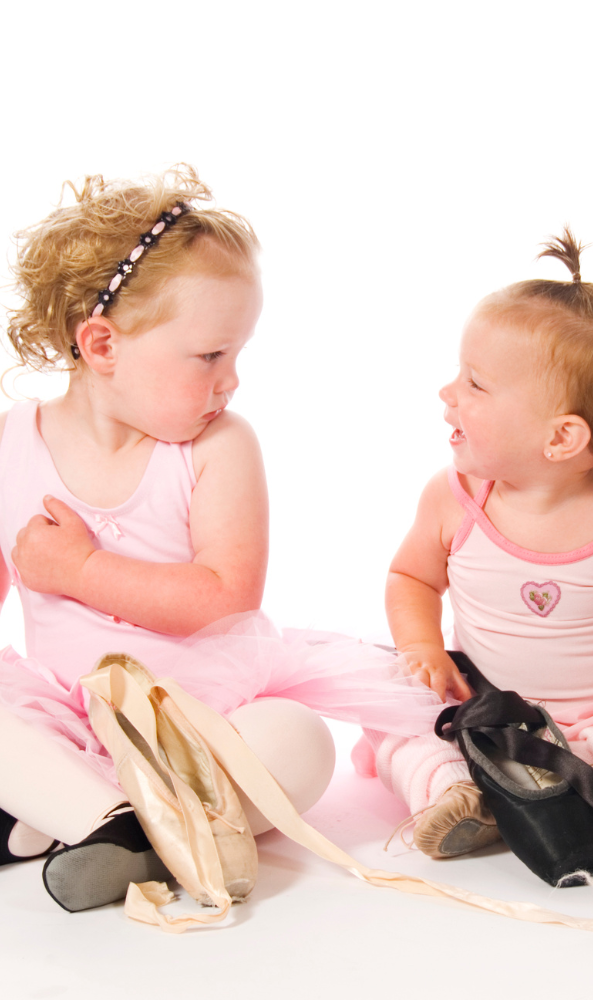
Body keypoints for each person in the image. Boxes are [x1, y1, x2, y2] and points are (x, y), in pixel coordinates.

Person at [0, 165, 443, 911]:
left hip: (201, 720)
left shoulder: (218, 447)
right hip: (72, 712)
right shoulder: (12, 442)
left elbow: (223, 596)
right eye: (210, 356)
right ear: (102, 345)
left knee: (298, 742)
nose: (231, 380)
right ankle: (111, 822)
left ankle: (87, 824)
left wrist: (78, 567)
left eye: (235, 356)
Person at [360, 229, 593, 859]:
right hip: (483, 708)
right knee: (391, 714)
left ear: (561, 438)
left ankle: (578, 772)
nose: (447, 393)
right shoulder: (454, 497)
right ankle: (456, 791)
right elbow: (412, 578)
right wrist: (423, 649)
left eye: (475, 385)